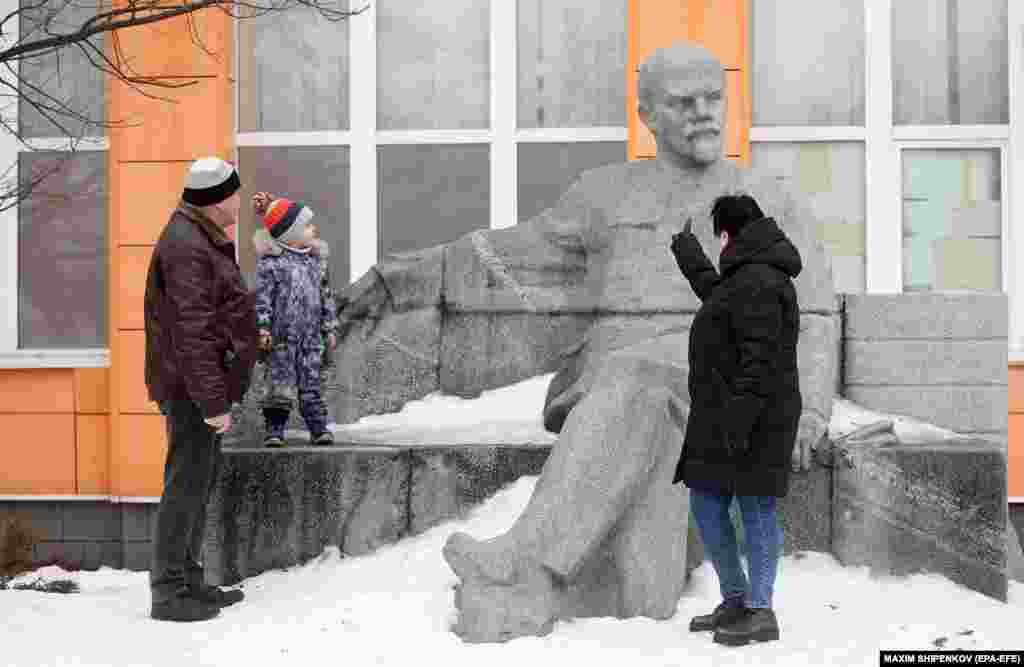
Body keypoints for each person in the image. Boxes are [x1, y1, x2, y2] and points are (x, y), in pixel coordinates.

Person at [333, 42, 836, 642]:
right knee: (643, 596)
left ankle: (527, 560)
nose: (703, 112)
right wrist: (401, 276)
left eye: (712, 98)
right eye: (683, 102)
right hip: (633, 402)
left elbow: (813, 313)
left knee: (637, 375)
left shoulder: (769, 199)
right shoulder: (605, 194)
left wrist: (811, 413)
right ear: (648, 114)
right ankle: (570, 596)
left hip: (724, 379)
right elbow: (509, 258)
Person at [670, 194, 802, 646]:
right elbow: (720, 297)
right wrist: (690, 256)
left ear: (727, 235)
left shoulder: (763, 281)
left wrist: (737, 423)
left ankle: (760, 611)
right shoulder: (748, 277)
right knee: (706, 503)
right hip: (727, 415)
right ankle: (735, 598)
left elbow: (760, 362)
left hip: (756, 419)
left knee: (755, 508)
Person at [143, 157, 259, 622]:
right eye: (232, 193)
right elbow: (191, 330)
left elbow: (215, 315)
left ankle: (189, 582)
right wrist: (212, 401)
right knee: (185, 487)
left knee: (197, 485)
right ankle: (169, 593)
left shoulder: (201, 238)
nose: (238, 200)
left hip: (201, 386)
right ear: (215, 200)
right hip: (192, 391)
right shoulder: (186, 246)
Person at [251, 192, 339, 447]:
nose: (314, 229)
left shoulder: (315, 262)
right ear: (290, 233)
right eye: (307, 226)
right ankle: (275, 430)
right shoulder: (272, 264)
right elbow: (264, 299)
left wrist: (330, 327)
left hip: (311, 338)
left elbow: (326, 296)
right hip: (281, 339)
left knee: (312, 383)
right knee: (279, 384)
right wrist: (264, 327)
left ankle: (318, 427)